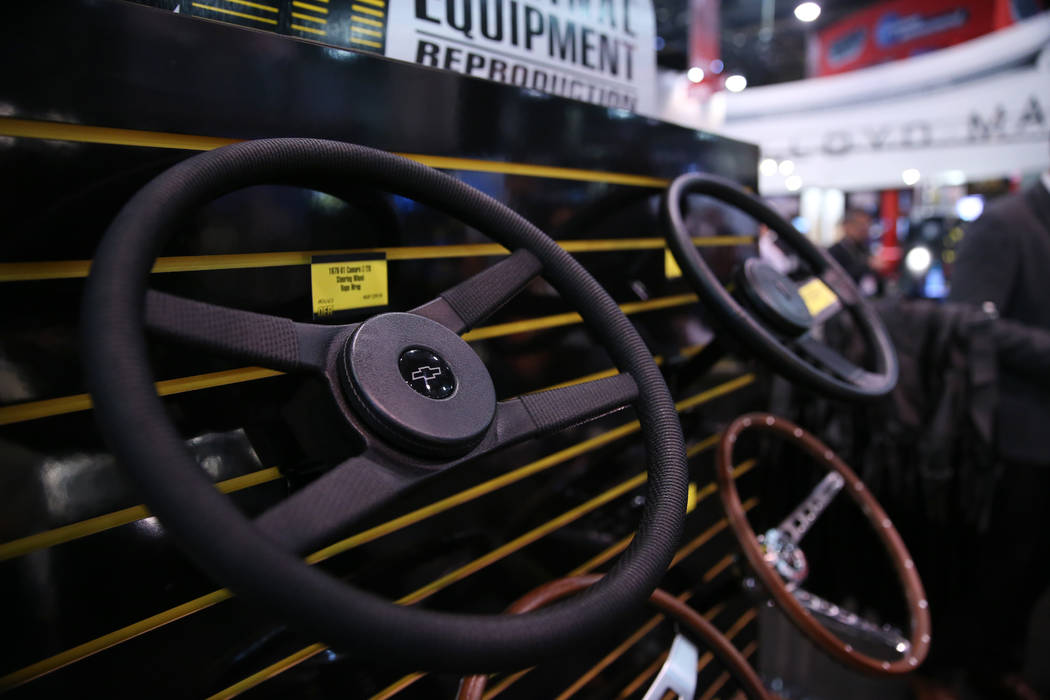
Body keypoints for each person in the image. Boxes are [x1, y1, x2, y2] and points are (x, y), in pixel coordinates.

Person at [948, 167, 1050, 699]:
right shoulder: (1007, 225)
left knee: (1032, 568)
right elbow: (967, 319)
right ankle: (980, 671)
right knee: (1004, 561)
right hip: (1014, 431)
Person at [828, 208, 881, 296]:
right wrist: (867, 265)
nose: (863, 229)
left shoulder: (864, 249)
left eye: (867, 225)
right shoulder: (835, 251)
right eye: (859, 225)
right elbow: (839, 279)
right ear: (846, 226)